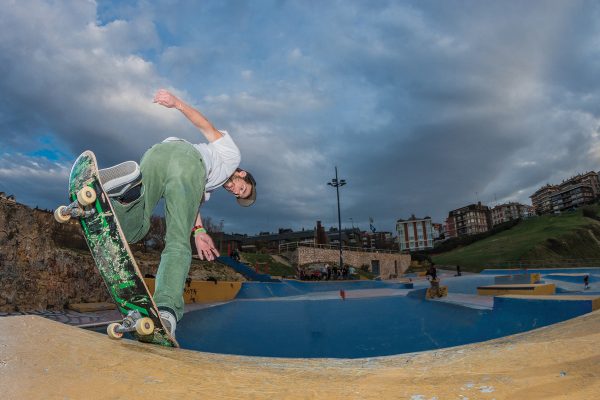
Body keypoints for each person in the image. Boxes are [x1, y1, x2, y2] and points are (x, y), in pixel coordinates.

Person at [99, 89, 257, 338]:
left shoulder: (209, 186)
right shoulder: (232, 155)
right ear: (243, 173)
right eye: (242, 187)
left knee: (134, 229)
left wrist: (200, 230)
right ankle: (166, 311)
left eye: (238, 194)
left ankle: (123, 193)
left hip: (157, 154)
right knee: (177, 244)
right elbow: (206, 126)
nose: (236, 190)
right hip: (189, 162)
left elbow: (193, 205)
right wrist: (177, 104)